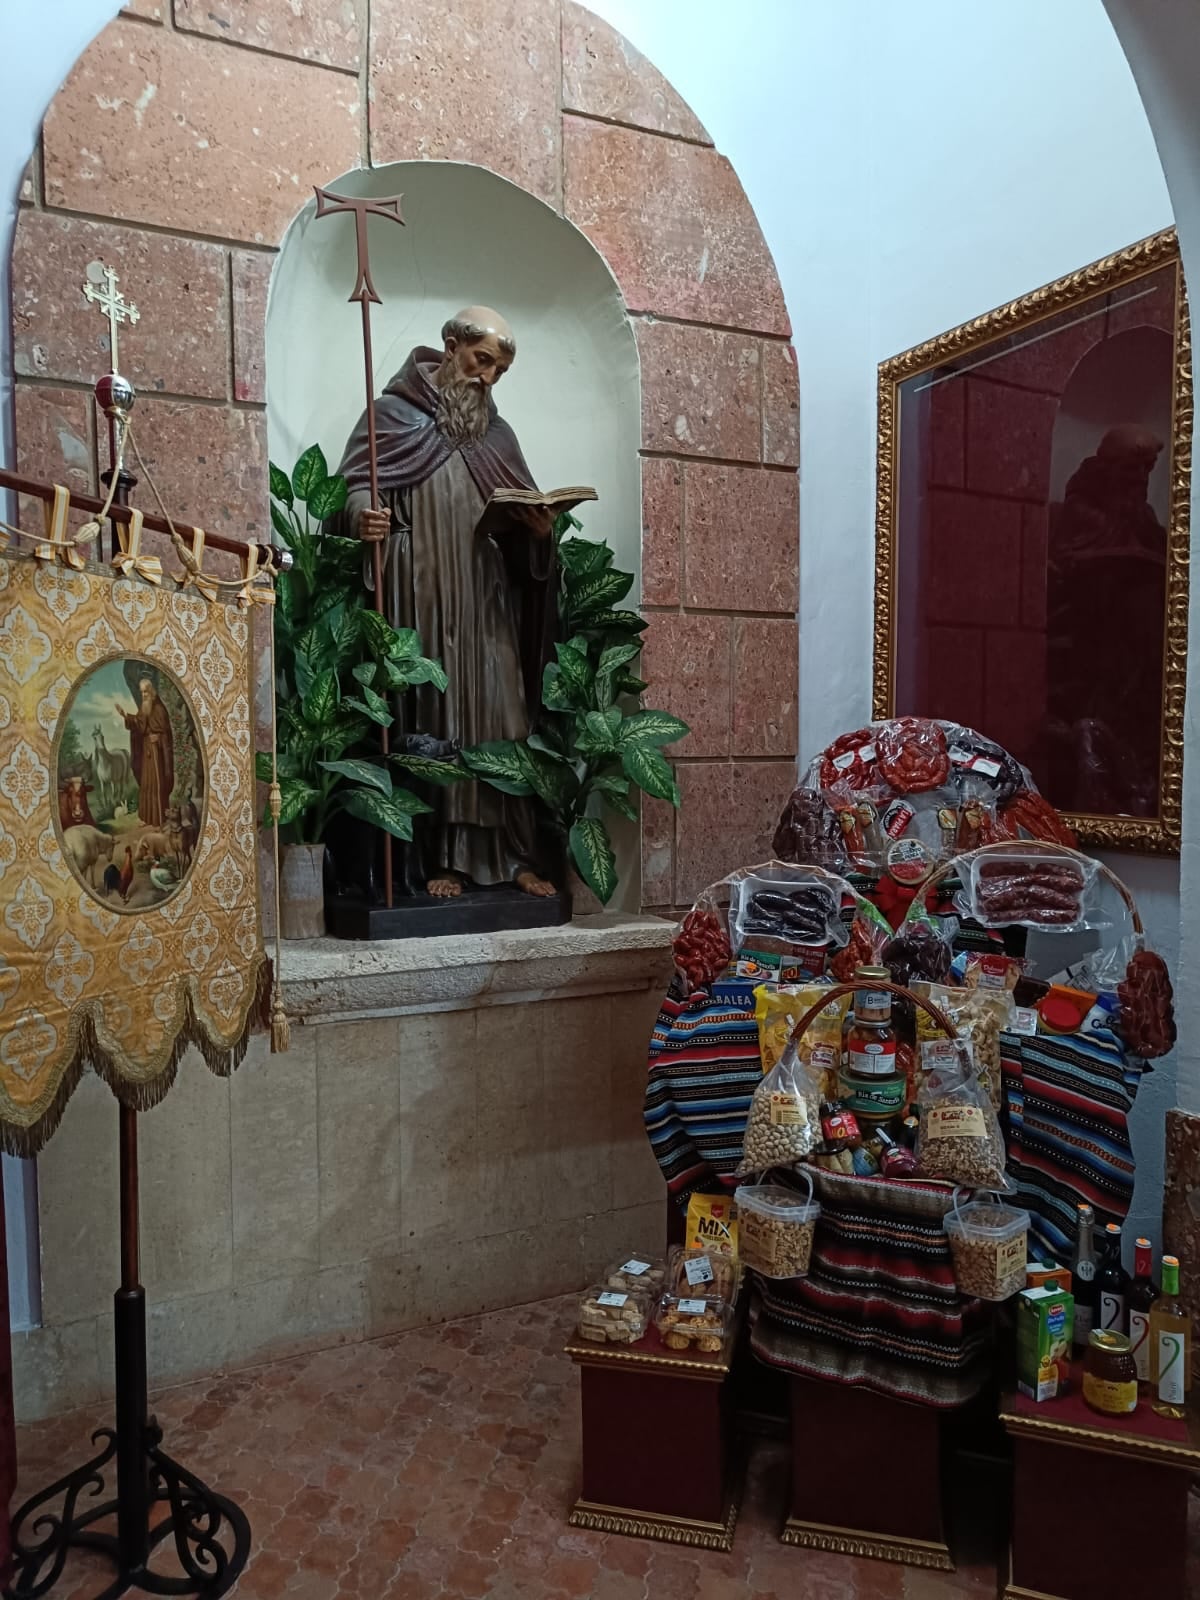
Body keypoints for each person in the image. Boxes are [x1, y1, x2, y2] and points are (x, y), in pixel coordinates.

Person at [334, 307, 557, 900]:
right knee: (437, 722)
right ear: (451, 346)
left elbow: (522, 529)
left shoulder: (497, 436)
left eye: (499, 371)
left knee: (502, 719)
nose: (488, 378)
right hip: (422, 594)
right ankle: (442, 859)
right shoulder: (390, 416)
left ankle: (511, 855)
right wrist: (363, 517)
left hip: (486, 600)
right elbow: (353, 490)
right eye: (482, 361)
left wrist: (538, 535)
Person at [120, 677, 174, 828]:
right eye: (142, 692)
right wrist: (125, 716)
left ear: (151, 691)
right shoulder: (144, 708)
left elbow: (167, 733)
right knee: (146, 784)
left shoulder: (159, 709)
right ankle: (146, 817)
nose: (143, 695)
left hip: (157, 753)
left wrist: (159, 738)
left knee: (156, 784)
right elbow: (138, 723)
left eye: (146, 692)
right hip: (146, 751)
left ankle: (159, 819)